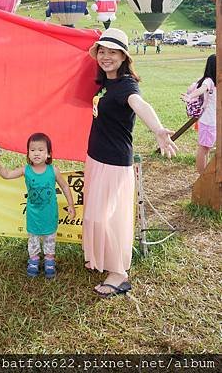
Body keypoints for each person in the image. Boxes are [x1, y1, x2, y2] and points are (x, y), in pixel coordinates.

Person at [84, 28, 177, 298]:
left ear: (124, 57)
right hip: (96, 158)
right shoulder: (106, 83)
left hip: (114, 163)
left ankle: (119, 275)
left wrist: (158, 129)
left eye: (112, 52)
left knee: (104, 219)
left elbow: (140, 104)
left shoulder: (126, 85)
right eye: (102, 51)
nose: (105, 56)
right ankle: (101, 261)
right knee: (94, 216)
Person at [0, 132, 75, 279]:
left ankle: (49, 260)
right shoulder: (25, 170)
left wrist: (71, 205)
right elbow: (7, 175)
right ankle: (34, 260)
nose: (36, 153)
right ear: (28, 153)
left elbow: (65, 187)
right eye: (32, 150)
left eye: (41, 150)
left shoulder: (53, 171)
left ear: (48, 154)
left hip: (49, 214)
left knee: (49, 238)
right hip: (33, 215)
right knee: (33, 238)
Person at [181, 54, 216, 175]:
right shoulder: (209, 81)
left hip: (214, 122)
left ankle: (205, 175)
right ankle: (203, 176)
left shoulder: (217, 81)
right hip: (208, 122)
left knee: (208, 148)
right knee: (204, 149)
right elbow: (202, 89)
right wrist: (190, 96)